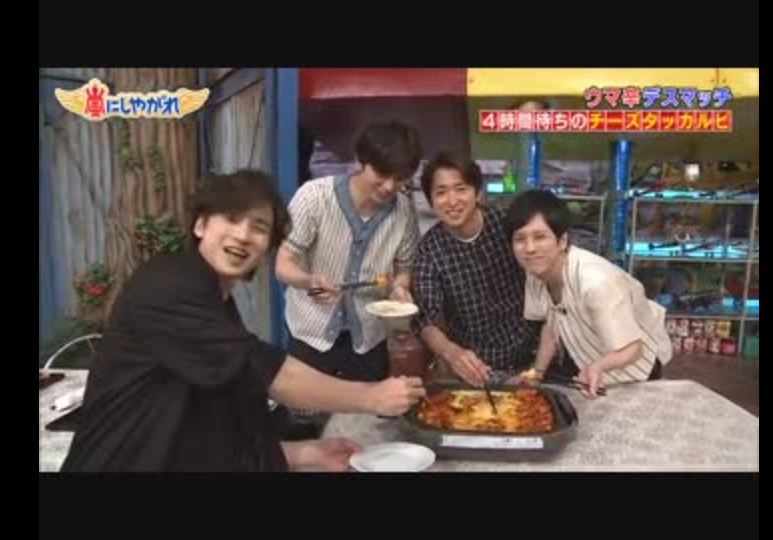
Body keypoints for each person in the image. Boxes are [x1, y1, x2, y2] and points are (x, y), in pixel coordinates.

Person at [60, 170, 425, 472]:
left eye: (259, 227)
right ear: (200, 225)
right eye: (232, 218)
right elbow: (264, 371)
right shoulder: (167, 285)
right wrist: (370, 396)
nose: (243, 235)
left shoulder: (220, 308)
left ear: (267, 248)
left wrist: (305, 453)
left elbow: (209, 434)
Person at [275, 120, 422, 382]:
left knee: (367, 406)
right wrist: (309, 280)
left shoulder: (403, 211)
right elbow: (283, 265)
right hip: (310, 335)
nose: (389, 186)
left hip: (369, 339)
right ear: (360, 161)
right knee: (306, 405)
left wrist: (400, 288)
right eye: (381, 173)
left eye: (399, 178)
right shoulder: (314, 197)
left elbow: (404, 267)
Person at [504, 189, 673, 397]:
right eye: (520, 239)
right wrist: (536, 374)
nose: (530, 248)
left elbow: (633, 348)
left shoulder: (596, 282)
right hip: (592, 363)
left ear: (562, 240)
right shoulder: (535, 271)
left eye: (540, 237)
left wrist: (598, 367)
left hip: (637, 368)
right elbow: (551, 324)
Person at [410, 152, 538, 387]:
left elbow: (545, 268)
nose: (452, 201)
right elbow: (425, 320)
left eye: (461, 189)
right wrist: (451, 353)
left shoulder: (507, 226)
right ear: (430, 201)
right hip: (477, 369)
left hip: (534, 355)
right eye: (441, 192)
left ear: (478, 193)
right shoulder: (429, 252)